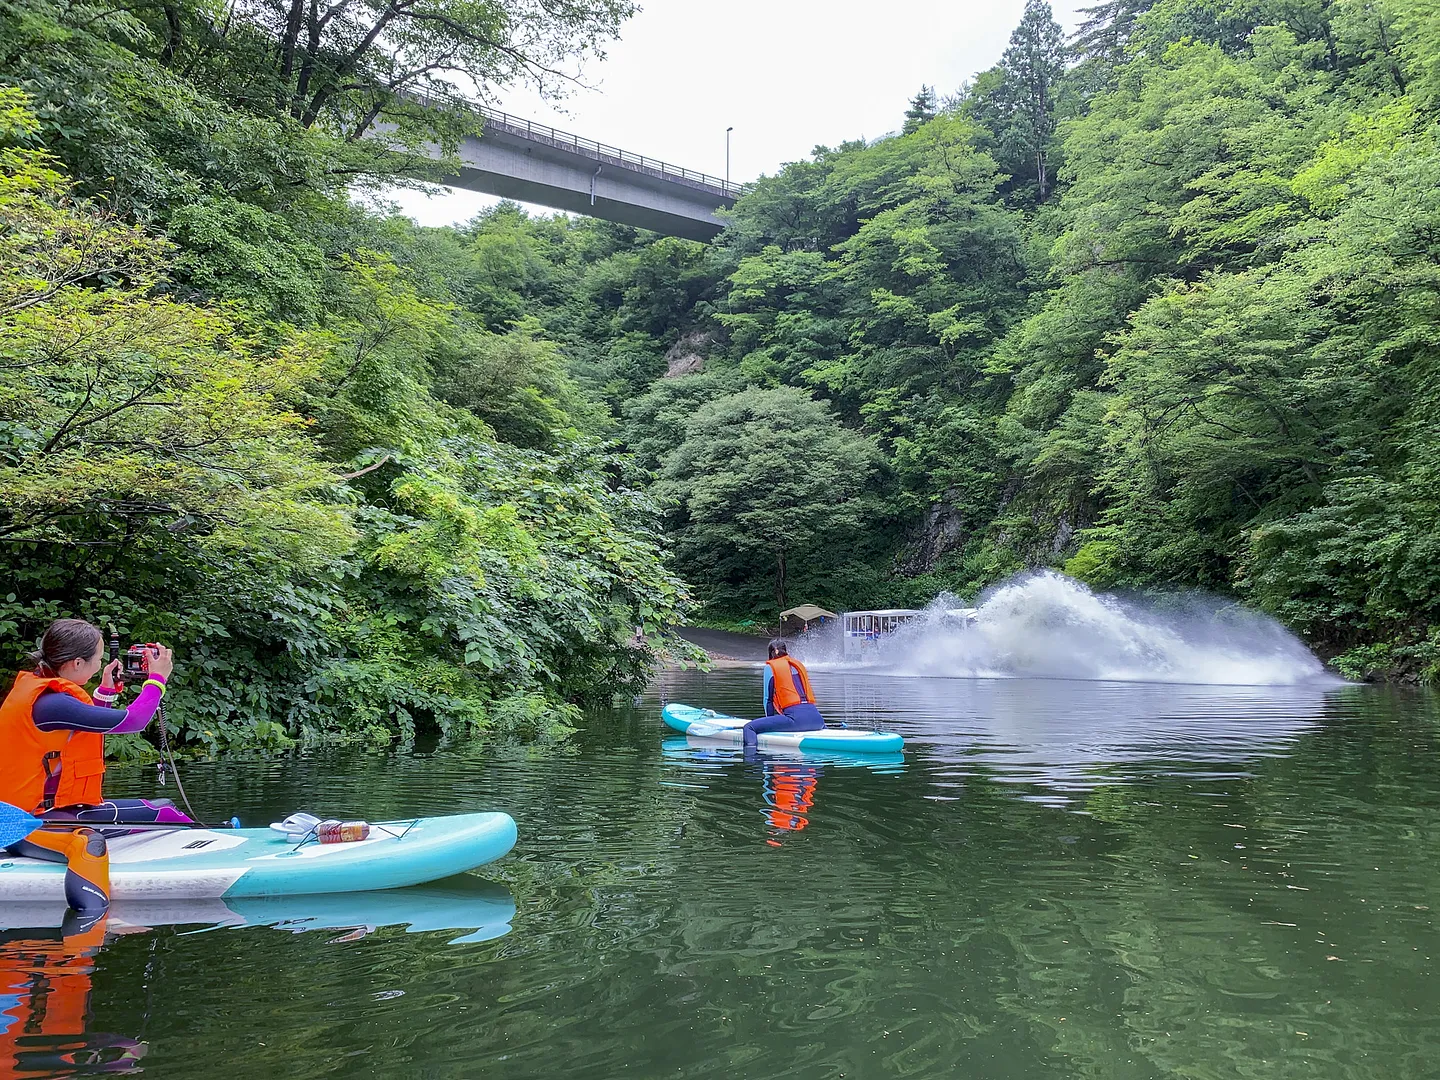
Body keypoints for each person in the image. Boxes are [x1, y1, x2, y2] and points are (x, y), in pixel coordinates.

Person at [0, 619, 184, 916]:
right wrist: (157, 680)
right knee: (90, 843)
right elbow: (133, 721)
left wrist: (106, 692)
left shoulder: (43, 693)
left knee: (163, 811)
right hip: (17, 826)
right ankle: (90, 930)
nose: (100, 666)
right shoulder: (51, 703)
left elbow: (85, 728)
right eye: (97, 660)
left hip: (40, 814)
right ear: (76, 663)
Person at [744, 640, 826, 748]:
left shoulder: (770, 668)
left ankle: (752, 756)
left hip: (796, 720)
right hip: (818, 720)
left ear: (770, 653)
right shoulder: (797, 665)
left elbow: (768, 700)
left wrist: (770, 724)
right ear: (785, 651)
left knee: (749, 728)